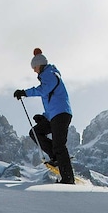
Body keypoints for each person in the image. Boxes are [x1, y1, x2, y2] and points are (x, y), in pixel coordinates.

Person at [13, 48, 75, 184]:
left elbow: (43, 90)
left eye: (34, 67)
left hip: (61, 114)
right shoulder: (47, 76)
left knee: (60, 145)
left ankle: (68, 178)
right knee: (35, 132)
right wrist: (44, 117)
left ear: (39, 65)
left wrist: (24, 92)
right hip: (54, 115)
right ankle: (56, 157)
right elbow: (51, 101)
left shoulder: (51, 74)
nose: (34, 70)